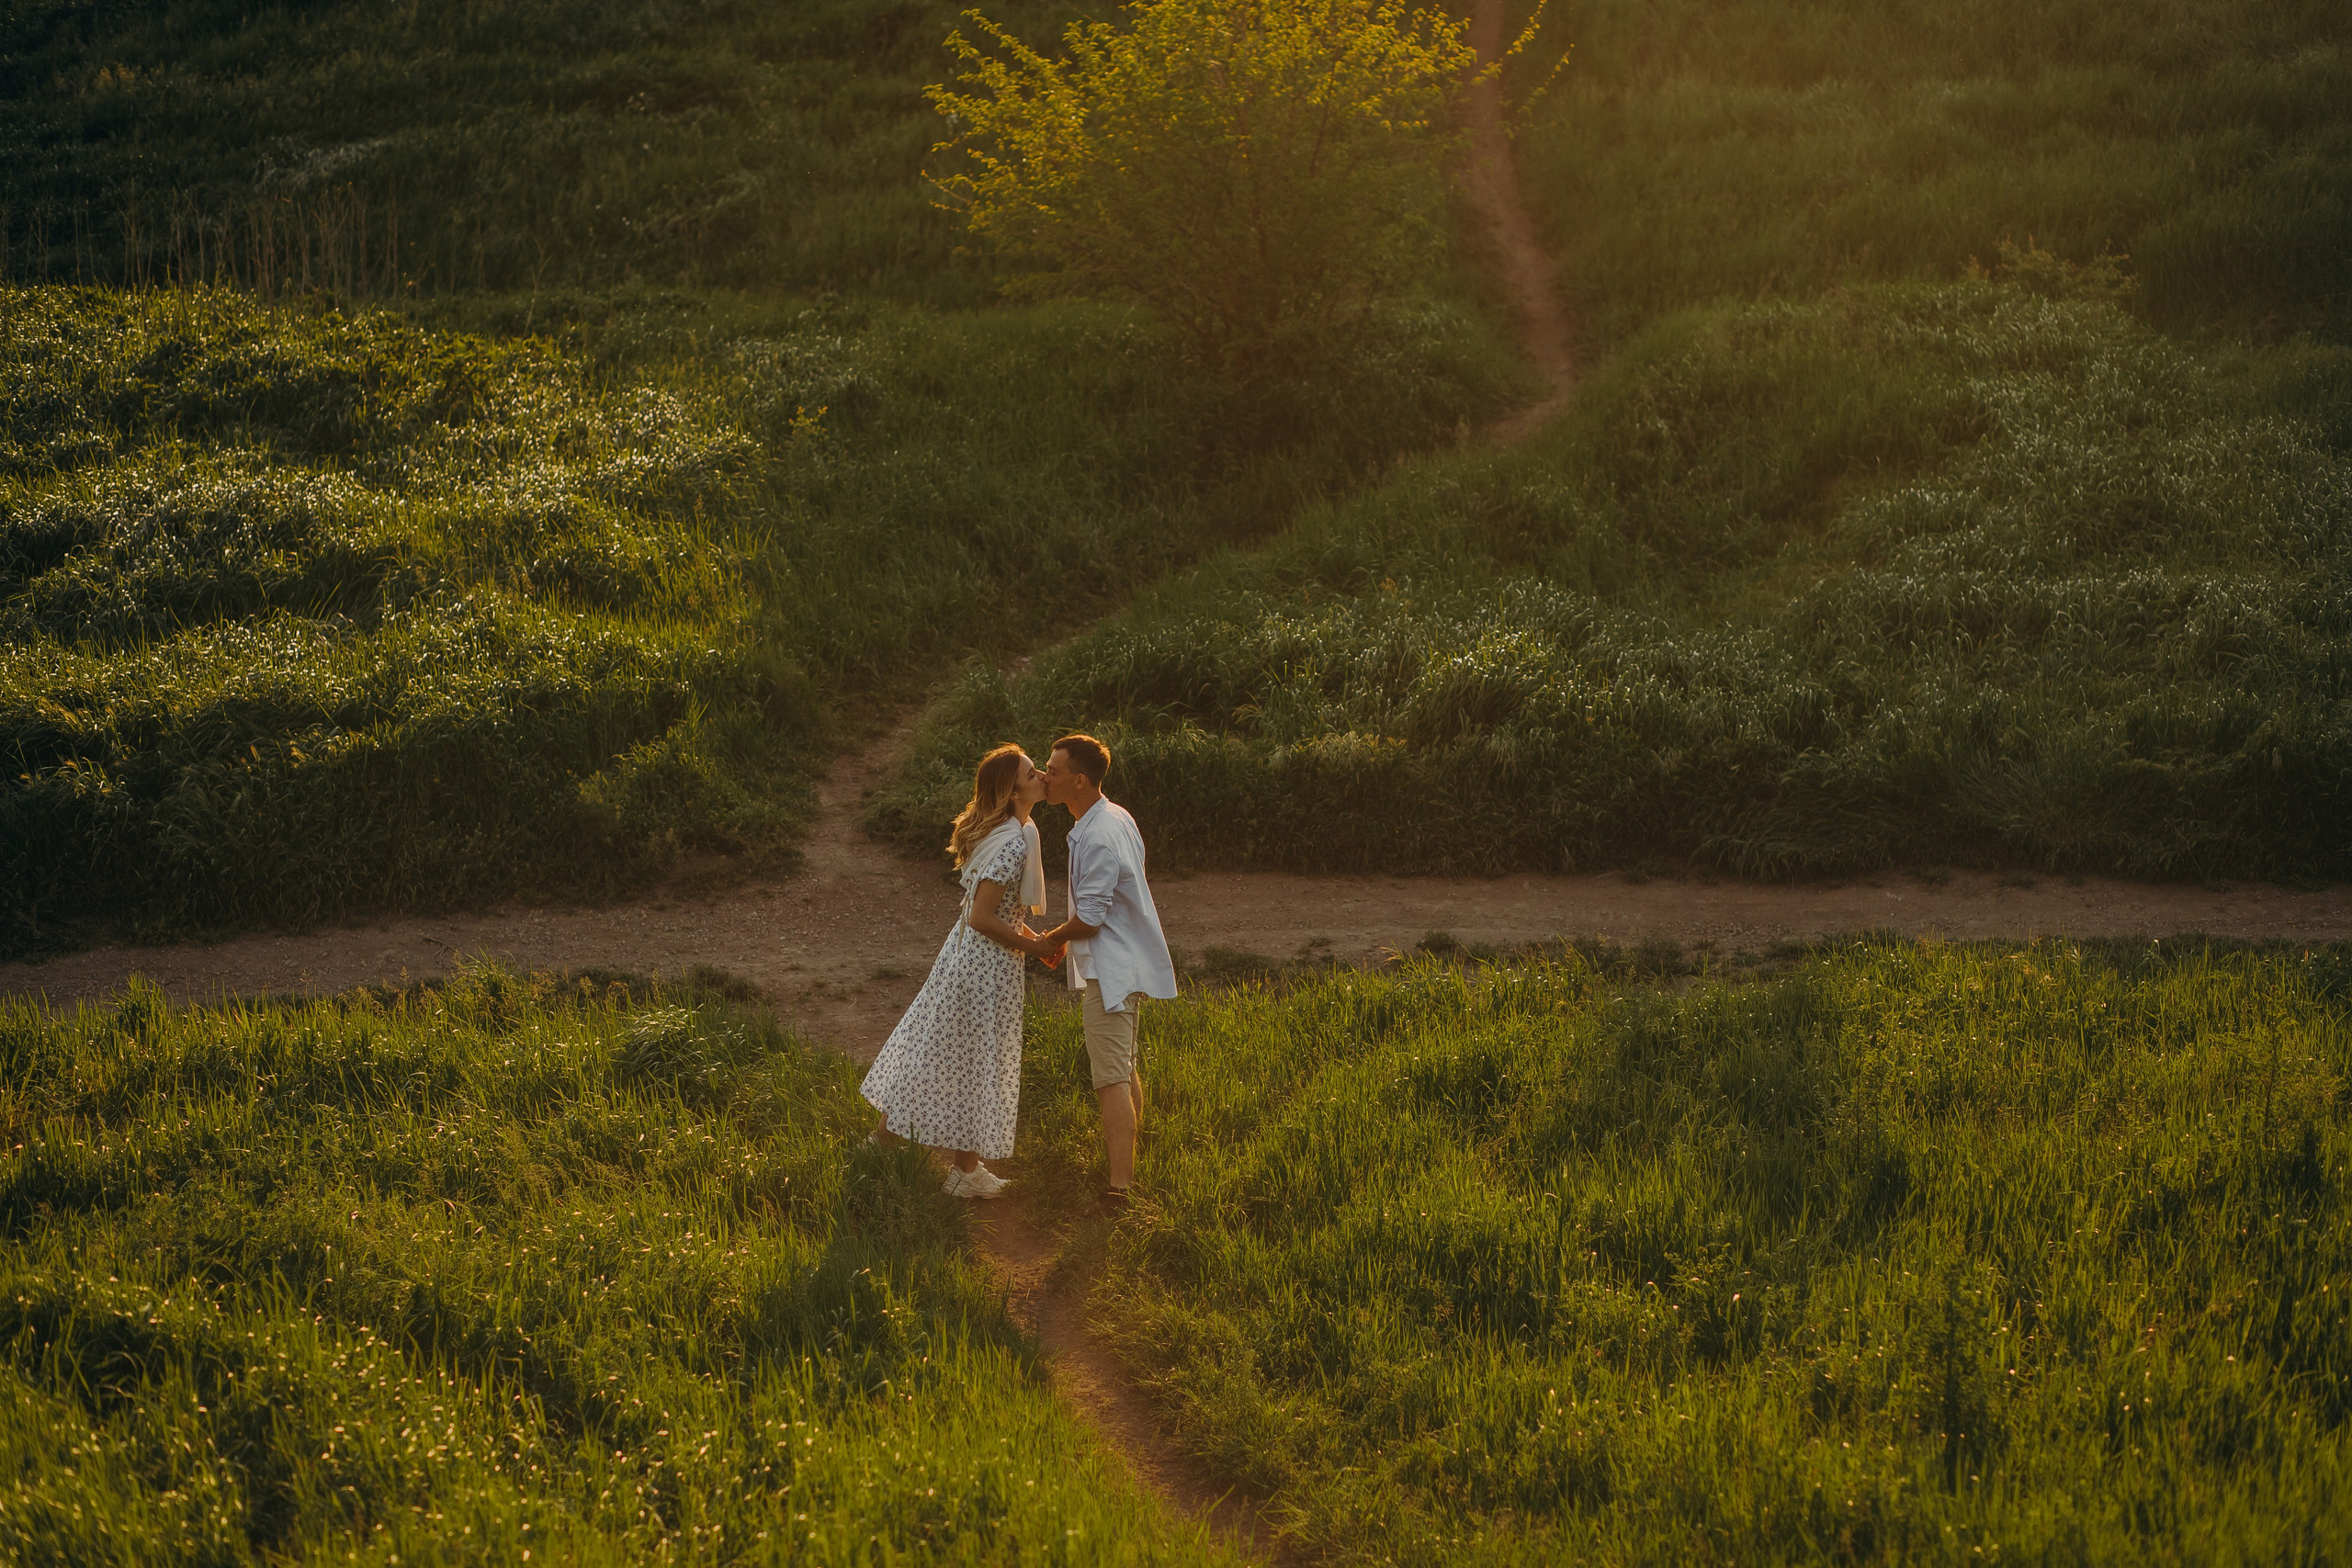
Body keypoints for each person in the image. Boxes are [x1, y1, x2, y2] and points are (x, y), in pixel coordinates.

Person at [862, 743, 1061, 1199]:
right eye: (1033, 775)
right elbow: (982, 916)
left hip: (971, 959)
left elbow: (997, 912)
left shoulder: (1017, 831)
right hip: (983, 968)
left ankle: (912, 1154)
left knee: (946, 1054)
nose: (1042, 779)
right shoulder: (1013, 842)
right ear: (1012, 792)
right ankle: (947, 1167)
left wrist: (1033, 938)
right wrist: (1034, 945)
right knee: (970, 1060)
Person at [1037, 733, 1177, 1212]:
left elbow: (1092, 917)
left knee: (1110, 1078)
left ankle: (1120, 1190)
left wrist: (1048, 940)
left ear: (1079, 779)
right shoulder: (1115, 816)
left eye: (1053, 771)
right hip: (1126, 958)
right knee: (1125, 1066)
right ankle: (1134, 1161)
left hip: (1112, 968)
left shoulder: (1096, 833)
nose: (1044, 776)